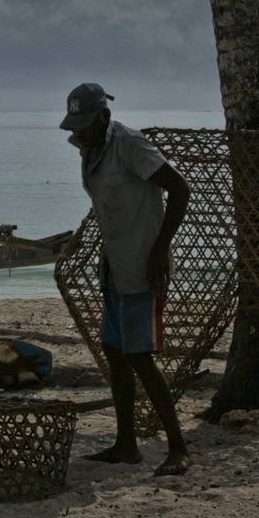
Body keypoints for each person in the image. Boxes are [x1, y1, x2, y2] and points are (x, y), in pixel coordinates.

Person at [59, 82, 193, 476]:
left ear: (104, 116)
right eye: (74, 125)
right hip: (114, 266)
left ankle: (178, 448)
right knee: (114, 351)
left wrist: (160, 250)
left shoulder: (130, 144)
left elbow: (180, 189)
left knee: (138, 355)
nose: (79, 133)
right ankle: (126, 445)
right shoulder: (88, 148)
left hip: (142, 268)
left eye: (85, 124)